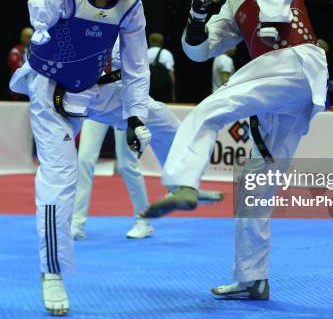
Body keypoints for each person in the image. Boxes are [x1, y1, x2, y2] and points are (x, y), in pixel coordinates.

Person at [9, 0, 222, 316]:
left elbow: (139, 68)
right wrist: (42, 32)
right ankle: (52, 271)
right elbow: (39, 9)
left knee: (161, 121)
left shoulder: (131, 4)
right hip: (51, 90)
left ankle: (182, 182)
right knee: (62, 175)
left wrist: (136, 117)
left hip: (98, 87)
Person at [140, 0, 327, 300]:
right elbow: (199, 50)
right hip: (286, 88)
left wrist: (272, 26)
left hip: (292, 64)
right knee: (255, 181)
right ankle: (252, 279)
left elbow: (277, 3)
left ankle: (184, 184)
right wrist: (195, 18)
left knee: (208, 110)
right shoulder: (235, 2)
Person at [72, 41, 224, 240]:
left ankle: (147, 218)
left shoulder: (130, 29)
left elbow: (137, 74)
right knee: (84, 160)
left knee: (128, 165)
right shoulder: (91, 27)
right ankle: (77, 223)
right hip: (97, 101)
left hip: (126, 103)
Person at [147, 32, 175, 102]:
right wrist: (173, 94)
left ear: (150, 41)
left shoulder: (144, 53)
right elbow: (171, 75)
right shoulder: (167, 54)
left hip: (148, 87)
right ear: (162, 42)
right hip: (163, 88)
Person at [317, 39, 333, 110]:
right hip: (318, 103)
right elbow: (319, 83)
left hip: (323, 102)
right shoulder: (316, 64)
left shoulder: (321, 63)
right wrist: (331, 85)